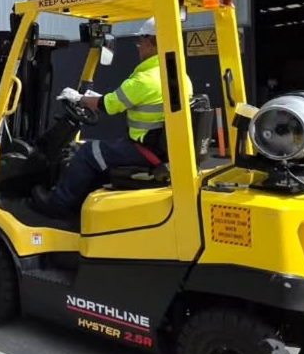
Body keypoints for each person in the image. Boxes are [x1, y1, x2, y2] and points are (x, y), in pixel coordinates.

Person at [32, 17, 192, 219]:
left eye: (140, 43)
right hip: (161, 148)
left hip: (144, 150)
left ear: (151, 43)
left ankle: (58, 204)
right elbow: (117, 100)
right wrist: (93, 99)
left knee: (88, 152)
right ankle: (81, 204)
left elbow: (109, 105)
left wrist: (79, 98)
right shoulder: (179, 76)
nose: (138, 48)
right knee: (97, 151)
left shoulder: (145, 79)